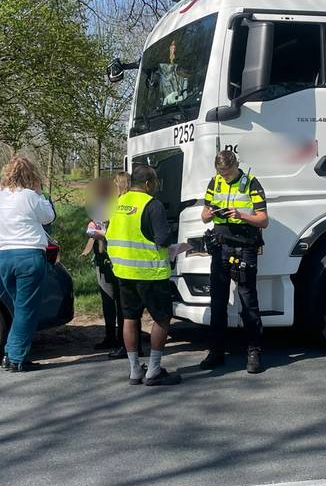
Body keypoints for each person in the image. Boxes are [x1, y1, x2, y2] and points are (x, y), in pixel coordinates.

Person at [0, 155, 55, 372]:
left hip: (5, 256)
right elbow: (48, 217)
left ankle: (14, 354)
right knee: (26, 310)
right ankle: (16, 358)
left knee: (19, 308)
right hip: (29, 255)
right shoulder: (31, 196)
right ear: (31, 174)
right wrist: (42, 195)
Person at [106, 165, 182, 386]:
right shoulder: (152, 204)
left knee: (130, 318)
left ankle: (135, 370)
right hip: (150, 272)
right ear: (148, 183)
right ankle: (154, 370)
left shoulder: (118, 203)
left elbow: (110, 233)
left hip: (123, 271)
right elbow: (163, 239)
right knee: (162, 318)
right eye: (155, 182)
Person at [200, 149, 269, 374]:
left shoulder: (251, 183)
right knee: (217, 301)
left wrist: (241, 215)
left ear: (235, 166)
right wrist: (207, 215)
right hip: (220, 245)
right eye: (221, 173)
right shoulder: (214, 182)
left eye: (228, 173)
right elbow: (204, 213)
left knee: (248, 300)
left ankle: (254, 351)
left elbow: (263, 220)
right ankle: (216, 350)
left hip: (244, 246)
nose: (225, 177)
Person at [82, 176, 122, 354]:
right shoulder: (96, 206)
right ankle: (110, 336)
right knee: (108, 299)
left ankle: (121, 337)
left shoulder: (117, 206)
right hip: (101, 256)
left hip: (115, 256)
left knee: (119, 299)